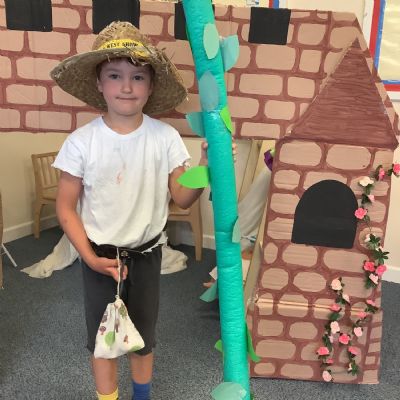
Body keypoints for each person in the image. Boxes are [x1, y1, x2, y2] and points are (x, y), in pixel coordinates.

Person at [51, 21, 235, 400]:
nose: (127, 86)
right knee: (103, 341)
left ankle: (141, 396)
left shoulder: (165, 137)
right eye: (114, 75)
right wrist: (88, 257)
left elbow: (182, 197)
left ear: (150, 87)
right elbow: (65, 208)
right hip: (99, 257)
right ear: (99, 83)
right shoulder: (81, 142)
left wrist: (207, 167)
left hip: (147, 256)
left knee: (142, 338)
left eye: (137, 77)